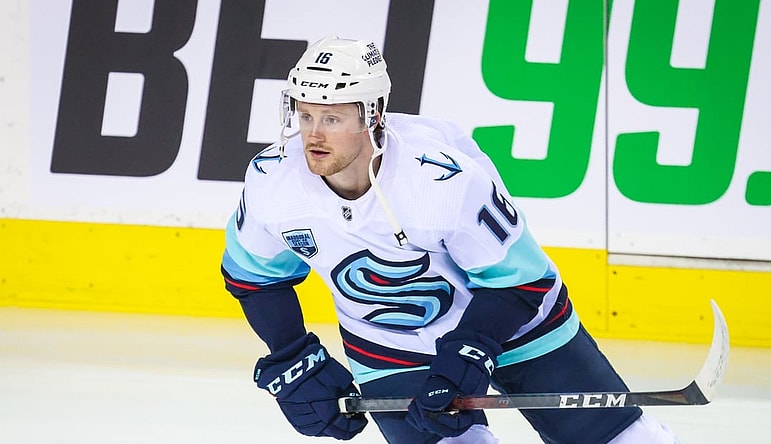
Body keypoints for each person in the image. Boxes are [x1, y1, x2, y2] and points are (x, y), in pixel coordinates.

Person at [220, 35, 677, 443]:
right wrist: (292, 357)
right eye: (306, 115)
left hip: (516, 325)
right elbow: (254, 278)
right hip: (390, 343)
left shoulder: (439, 179)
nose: (314, 135)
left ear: (372, 115)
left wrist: (470, 348)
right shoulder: (273, 180)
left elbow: (520, 280)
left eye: (333, 119)